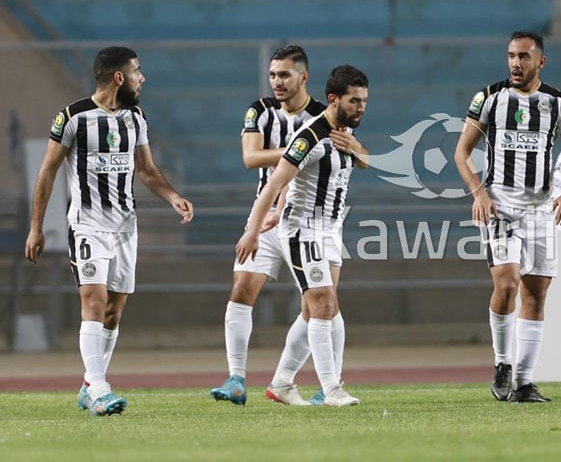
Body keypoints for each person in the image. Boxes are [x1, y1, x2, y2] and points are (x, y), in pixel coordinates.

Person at [24, 46, 194, 416]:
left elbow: (146, 170)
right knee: (94, 302)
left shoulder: (135, 117)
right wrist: (36, 226)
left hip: (125, 228)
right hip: (87, 226)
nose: (142, 78)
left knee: (113, 313)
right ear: (119, 77)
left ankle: (89, 384)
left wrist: (172, 196)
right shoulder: (72, 117)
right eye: (137, 72)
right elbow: (48, 171)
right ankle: (101, 389)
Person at [453, 31, 561, 403]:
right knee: (508, 284)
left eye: (524, 56)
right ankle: (502, 364)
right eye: (511, 55)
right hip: (500, 206)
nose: (515, 62)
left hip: (541, 210)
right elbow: (461, 153)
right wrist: (478, 193)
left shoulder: (557, 102)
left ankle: (525, 383)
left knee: (536, 294)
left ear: (540, 62)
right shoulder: (490, 97)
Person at [236, 64, 369, 407]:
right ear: (333, 99)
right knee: (323, 303)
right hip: (302, 230)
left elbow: (366, 161)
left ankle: (282, 382)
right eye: (355, 101)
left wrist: (355, 146)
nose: (361, 107)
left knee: (321, 309)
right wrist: (253, 231)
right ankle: (331, 388)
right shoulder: (309, 138)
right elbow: (274, 185)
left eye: (364, 101)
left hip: (331, 231)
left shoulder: (344, 134)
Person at [210, 45, 328, 407]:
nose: (276, 81)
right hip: (264, 216)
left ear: (303, 77)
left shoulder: (324, 115)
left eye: (284, 75)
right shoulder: (260, 110)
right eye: (273, 74)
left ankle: (298, 380)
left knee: (317, 305)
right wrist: (301, 146)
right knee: (242, 288)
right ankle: (235, 378)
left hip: (306, 220)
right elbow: (250, 157)